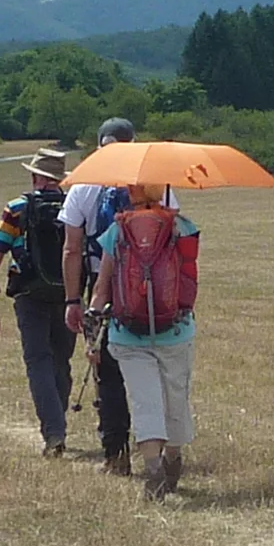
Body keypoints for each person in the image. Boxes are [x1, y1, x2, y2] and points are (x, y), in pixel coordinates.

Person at [61, 117, 177, 476]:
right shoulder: (160, 184)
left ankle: (116, 454)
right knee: (157, 370)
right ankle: (163, 452)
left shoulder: (84, 186)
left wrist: (72, 301)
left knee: (108, 373)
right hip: (157, 287)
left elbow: (71, 248)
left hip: (104, 284)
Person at [88, 182, 199, 500]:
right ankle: (173, 461)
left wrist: (93, 329)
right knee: (175, 397)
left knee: (144, 401)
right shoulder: (184, 226)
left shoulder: (118, 229)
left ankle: (153, 471)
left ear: (134, 193)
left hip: (127, 332)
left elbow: (102, 286)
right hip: (176, 331)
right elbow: (189, 279)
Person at [0, 148, 77, 456]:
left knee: (38, 362)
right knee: (61, 360)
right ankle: (57, 421)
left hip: (29, 293)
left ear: (36, 176)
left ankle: (54, 431)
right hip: (67, 292)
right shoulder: (74, 204)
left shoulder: (18, 208)